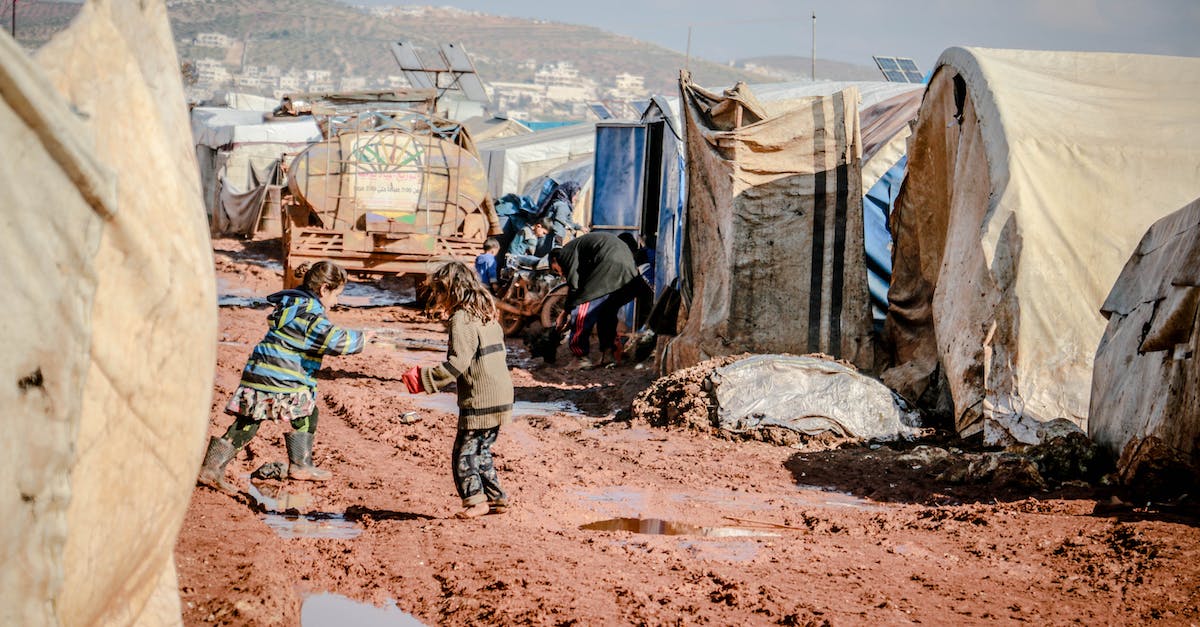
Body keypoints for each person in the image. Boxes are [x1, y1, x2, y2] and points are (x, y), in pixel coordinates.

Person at [198, 261, 370, 492]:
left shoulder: (292, 306)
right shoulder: (310, 315)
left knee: (249, 419)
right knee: (307, 413)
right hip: (283, 376)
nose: (336, 302)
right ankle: (301, 465)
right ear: (324, 289)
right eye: (336, 295)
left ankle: (211, 468)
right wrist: (363, 338)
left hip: (260, 371)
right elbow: (334, 341)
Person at [401, 261, 514, 519]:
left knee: (463, 454)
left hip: (480, 397)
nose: (436, 297)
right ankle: (496, 498)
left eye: (439, 291)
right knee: (481, 449)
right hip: (501, 393)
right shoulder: (485, 312)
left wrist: (425, 379)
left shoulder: (461, 318)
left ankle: (476, 501)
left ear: (451, 290)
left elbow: (458, 363)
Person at [549, 231, 653, 369]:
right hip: (629, 273)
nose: (560, 274)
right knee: (606, 311)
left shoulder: (564, 255)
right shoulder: (580, 252)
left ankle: (580, 357)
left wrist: (566, 312)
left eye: (555, 270)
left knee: (581, 310)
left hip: (610, 267)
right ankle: (608, 354)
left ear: (554, 260)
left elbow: (574, 287)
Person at [538, 181, 585, 246]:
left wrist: (580, 227)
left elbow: (567, 222)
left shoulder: (561, 203)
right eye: (575, 195)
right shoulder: (562, 206)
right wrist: (558, 243)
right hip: (548, 244)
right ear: (570, 192)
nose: (576, 198)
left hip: (546, 242)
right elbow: (559, 223)